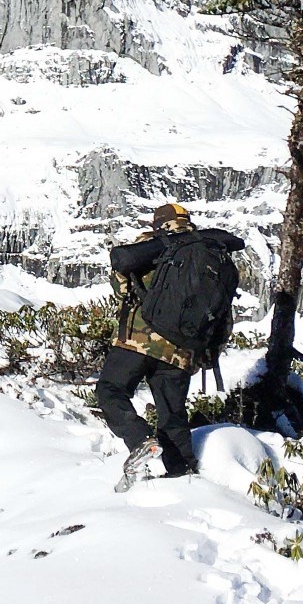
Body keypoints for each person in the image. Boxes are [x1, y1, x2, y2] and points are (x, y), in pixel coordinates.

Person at [96, 202, 245, 489]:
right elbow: (223, 316)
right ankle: (183, 477)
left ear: (160, 224)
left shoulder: (150, 246)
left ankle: (140, 442)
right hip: (181, 352)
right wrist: (204, 353)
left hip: (138, 341)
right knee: (173, 417)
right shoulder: (213, 254)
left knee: (110, 390)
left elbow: (122, 287)